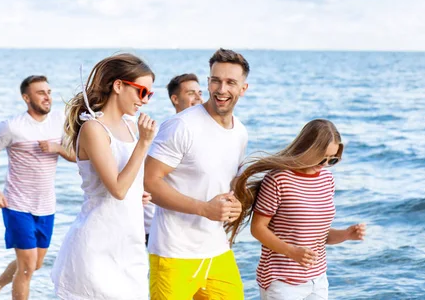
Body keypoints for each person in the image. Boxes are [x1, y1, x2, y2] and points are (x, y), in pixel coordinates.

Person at [144, 48, 248, 300]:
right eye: (216, 80)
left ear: (243, 88)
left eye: (230, 82)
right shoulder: (181, 126)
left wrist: (238, 204)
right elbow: (148, 181)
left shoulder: (240, 132)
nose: (222, 89)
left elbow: (228, 183)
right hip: (174, 253)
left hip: (218, 250)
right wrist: (204, 209)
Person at [51, 53, 156, 300]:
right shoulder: (94, 129)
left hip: (129, 245)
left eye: (149, 95)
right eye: (142, 92)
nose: (145, 101)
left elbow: (126, 185)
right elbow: (117, 189)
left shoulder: (131, 127)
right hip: (97, 247)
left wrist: (137, 194)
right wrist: (144, 143)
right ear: (118, 85)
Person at [228, 119, 366, 300]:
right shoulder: (278, 180)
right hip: (282, 281)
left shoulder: (326, 179)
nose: (324, 164)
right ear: (308, 149)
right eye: (321, 157)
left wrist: (346, 234)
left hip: (317, 279)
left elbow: (318, 235)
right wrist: (291, 252)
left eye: (332, 159)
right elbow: (258, 228)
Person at [0, 75, 75, 300]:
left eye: (49, 92)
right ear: (26, 97)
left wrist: (57, 148)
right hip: (17, 204)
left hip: (46, 205)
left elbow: (76, 156)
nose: (47, 97)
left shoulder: (59, 121)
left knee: (35, 264)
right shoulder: (12, 127)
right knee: (27, 267)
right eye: (41, 93)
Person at [143, 73, 203, 245]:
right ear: (175, 99)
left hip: (197, 227)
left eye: (200, 93)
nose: (199, 98)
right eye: (191, 93)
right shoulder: (167, 133)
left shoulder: (202, 132)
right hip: (162, 227)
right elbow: (149, 180)